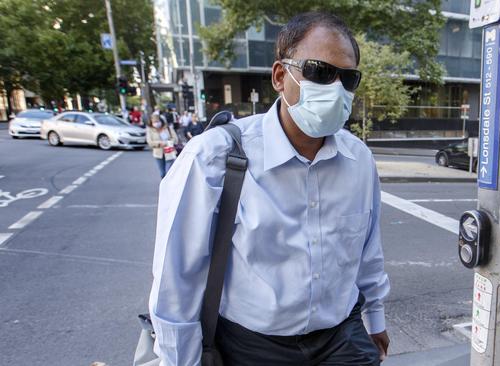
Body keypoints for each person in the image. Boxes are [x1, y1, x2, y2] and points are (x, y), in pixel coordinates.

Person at [149, 12, 389, 366]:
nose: (335, 88)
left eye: (348, 78)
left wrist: (375, 318)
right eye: (319, 72)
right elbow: (177, 279)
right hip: (252, 345)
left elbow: (367, 252)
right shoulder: (214, 156)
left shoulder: (359, 160)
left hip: (341, 335)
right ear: (280, 75)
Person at [146, 114, 178, 178]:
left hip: (169, 152)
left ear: (161, 121)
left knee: (169, 172)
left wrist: (167, 143)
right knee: (162, 173)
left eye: (157, 121)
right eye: (154, 122)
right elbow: (149, 142)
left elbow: (175, 139)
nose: (156, 123)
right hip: (158, 154)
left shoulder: (168, 128)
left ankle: (169, 186)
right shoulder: (150, 130)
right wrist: (159, 143)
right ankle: (164, 185)